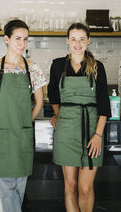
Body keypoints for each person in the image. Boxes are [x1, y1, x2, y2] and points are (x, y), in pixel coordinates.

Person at [0, 19, 47, 212]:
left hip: (22, 134)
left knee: (20, 185)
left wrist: (27, 121)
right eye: (18, 38)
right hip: (1, 135)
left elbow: (40, 101)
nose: (22, 43)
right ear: (6, 39)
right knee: (6, 188)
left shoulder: (32, 67)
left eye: (25, 39)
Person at [48, 22, 111, 212]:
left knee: (85, 188)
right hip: (66, 130)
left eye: (82, 39)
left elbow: (104, 104)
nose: (77, 44)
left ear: (88, 41)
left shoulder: (97, 67)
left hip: (92, 128)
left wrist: (98, 136)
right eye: (73, 39)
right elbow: (53, 94)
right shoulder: (58, 65)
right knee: (71, 186)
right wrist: (59, 115)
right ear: (67, 41)